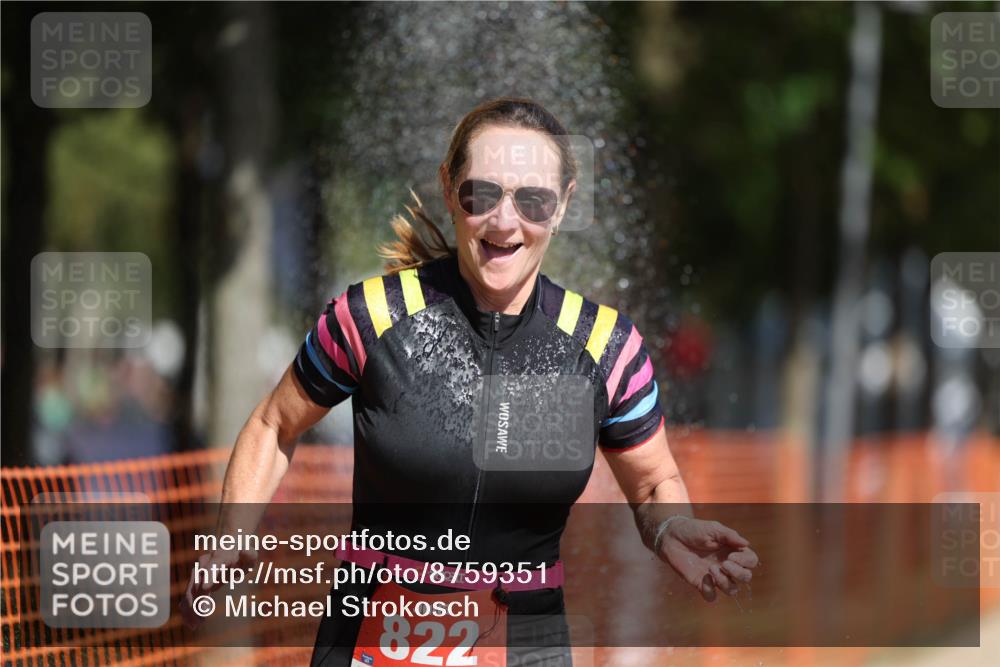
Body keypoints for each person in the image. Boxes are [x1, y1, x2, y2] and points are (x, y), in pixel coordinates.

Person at [182, 97, 758, 666]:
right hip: (371, 641)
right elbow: (273, 424)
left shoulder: (604, 348)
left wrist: (671, 527)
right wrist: (231, 538)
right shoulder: (372, 317)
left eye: (533, 200)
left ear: (562, 206)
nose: (505, 221)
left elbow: (654, 483)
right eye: (482, 194)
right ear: (449, 188)